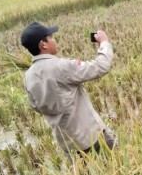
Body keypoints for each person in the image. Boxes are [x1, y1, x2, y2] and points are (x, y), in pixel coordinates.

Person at [20, 21, 116, 155]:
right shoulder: (61, 66)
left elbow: (35, 105)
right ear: (43, 44)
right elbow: (100, 67)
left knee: (85, 174)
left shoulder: (28, 76)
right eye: (51, 37)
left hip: (67, 143)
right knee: (116, 164)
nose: (54, 40)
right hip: (91, 138)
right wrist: (104, 43)